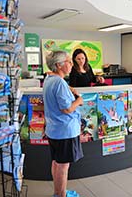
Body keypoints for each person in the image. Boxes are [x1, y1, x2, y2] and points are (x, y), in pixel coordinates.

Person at [43, 50, 84, 197]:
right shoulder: (59, 82)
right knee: (63, 165)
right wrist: (79, 101)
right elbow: (66, 109)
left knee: (57, 162)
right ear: (59, 65)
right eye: (69, 62)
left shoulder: (49, 79)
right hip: (65, 131)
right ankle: (61, 195)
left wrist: (68, 89)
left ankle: (58, 192)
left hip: (54, 130)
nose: (71, 65)